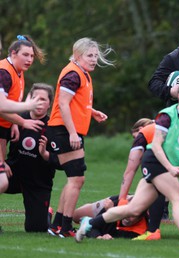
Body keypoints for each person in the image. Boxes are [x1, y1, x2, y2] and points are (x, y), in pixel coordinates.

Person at [75, 77, 179, 247]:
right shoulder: (167, 116)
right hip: (154, 161)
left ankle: (89, 223)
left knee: (133, 209)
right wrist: (170, 167)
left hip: (167, 165)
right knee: (177, 197)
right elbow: (155, 146)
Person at [47, 37, 114, 238]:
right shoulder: (73, 74)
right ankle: (65, 227)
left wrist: (90, 111)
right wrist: (72, 133)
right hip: (63, 130)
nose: (94, 59)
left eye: (96, 55)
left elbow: (76, 102)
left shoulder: (82, 73)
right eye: (89, 55)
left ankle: (58, 224)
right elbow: (63, 104)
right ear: (77, 56)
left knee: (74, 179)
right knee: (76, 179)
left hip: (66, 130)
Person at [3, 83, 57, 232]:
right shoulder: (16, 120)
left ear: (50, 104)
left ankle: (46, 213)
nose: (39, 103)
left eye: (43, 99)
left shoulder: (54, 127)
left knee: (36, 229)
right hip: (13, 174)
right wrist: (1, 163)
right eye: (35, 98)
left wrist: (46, 155)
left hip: (38, 182)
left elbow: (61, 161)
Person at [0, 35, 47, 193]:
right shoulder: (4, 73)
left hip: (2, 131)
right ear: (13, 53)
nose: (29, 59)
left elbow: (7, 109)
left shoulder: (18, 72)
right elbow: (1, 106)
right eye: (25, 55)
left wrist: (13, 122)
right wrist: (23, 119)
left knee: (3, 182)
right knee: (2, 182)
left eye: (32, 56)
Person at [73, 195, 147, 240]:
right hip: (113, 201)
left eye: (133, 216)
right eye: (128, 212)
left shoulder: (139, 231)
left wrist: (98, 237)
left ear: (140, 218)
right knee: (75, 216)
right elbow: (92, 226)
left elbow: (112, 233)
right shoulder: (118, 204)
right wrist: (110, 210)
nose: (128, 216)